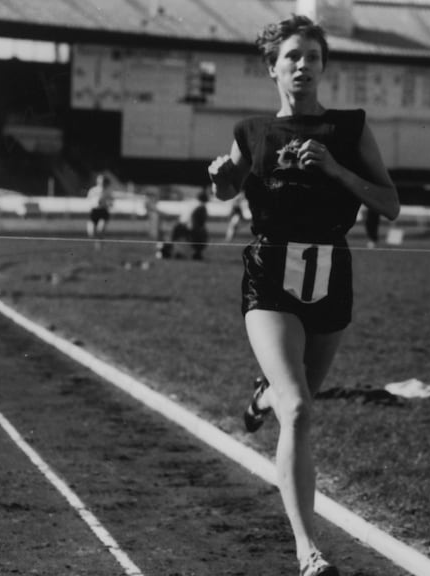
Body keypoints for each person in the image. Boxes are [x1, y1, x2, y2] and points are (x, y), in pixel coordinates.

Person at [206, 15, 399, 576]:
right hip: (270, 273)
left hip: (330, 274)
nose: (302, 65)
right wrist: (219, 178)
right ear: (273, 68)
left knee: (297, 399)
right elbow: (225, 189)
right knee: (300, 409)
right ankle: (308, 551)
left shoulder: (350, 129)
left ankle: (260, 398)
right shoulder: (253, 131)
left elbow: (389, 205)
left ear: (323, 66)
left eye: (312, 57)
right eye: (291, 56)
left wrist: (337, 169)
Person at [158, 190, 210, 260]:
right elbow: (194, 219)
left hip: (180, 225)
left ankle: (165, 252)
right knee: (199, 240)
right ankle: (195, 254)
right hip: (186, 226)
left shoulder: (193, 203)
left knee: (173, 241)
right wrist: (197, 230)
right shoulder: (201, 207)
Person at [86, 173, 112, 250]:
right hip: (94, 212)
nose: (101, 181)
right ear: (97, 180)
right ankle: (98, 243)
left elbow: (111, 203)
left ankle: (100, 246)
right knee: (91, 233)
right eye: (100, 179)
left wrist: (106, 203)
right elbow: (88, 200)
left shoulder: (108, 191)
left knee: (100, 230)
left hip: (103, 211)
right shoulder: (92, 190)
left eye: (103, 180)